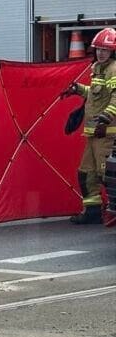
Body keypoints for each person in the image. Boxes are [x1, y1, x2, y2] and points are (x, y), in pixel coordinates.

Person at [69, 27, 116, 224]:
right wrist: (78, 89)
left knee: (107, 175)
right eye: (98, 49)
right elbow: (96, 95)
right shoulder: (97, 68)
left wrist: (106, 117)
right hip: (92, 133)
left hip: (106, 133)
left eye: (104, 50)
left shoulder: (114, 69)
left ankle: (113, 211)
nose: (100, 53)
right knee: (86, 173)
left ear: (113, 51)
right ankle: (93, 212)